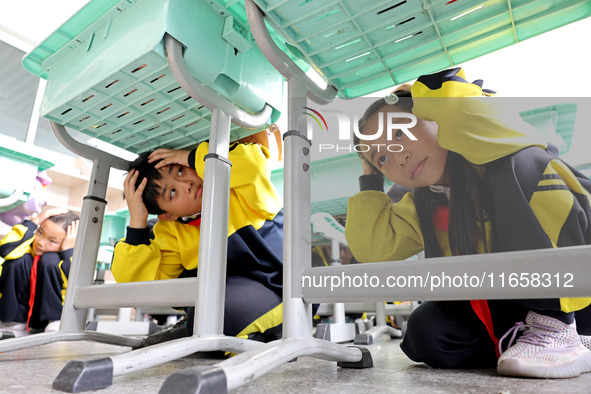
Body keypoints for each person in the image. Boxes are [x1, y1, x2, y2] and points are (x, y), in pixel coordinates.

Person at [344, 67, 591, 378]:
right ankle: (540, 344)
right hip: (513, 309)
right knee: (424, 330)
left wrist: (425, 94)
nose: (399, 156)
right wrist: (369, 178)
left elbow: (471, 115)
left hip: (577, 289)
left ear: (433, 117)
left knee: (520, 162)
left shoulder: (497, 144)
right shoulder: (423, 201)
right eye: (382, 159)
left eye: (399, 132)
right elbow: (372, 247)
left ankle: (560, 329)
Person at [111, 136, 284, 346]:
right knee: (207, 321)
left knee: (216, 321)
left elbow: (253, 163)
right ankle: (208, 335)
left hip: (284, 287)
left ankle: (255, 338)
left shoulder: (237, 188)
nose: (188, 185)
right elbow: (139, 287)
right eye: (172, 192)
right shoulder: (171, 230)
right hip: (239, 295)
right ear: (167, 215)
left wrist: (192, 157)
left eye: (180, 171)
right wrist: (137, 220)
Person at [0, 208, 79, 337]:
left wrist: (68, 251)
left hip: (46, 316)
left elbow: (76, 284)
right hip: (16, 314)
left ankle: (55, 322)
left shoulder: (64, 258)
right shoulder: (27, 246)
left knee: (50, 260)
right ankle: (12, 325)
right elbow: (5, 250)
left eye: (52, 241)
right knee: (19, 260)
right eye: (40, 232)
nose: (41, 243)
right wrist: (35, 221)